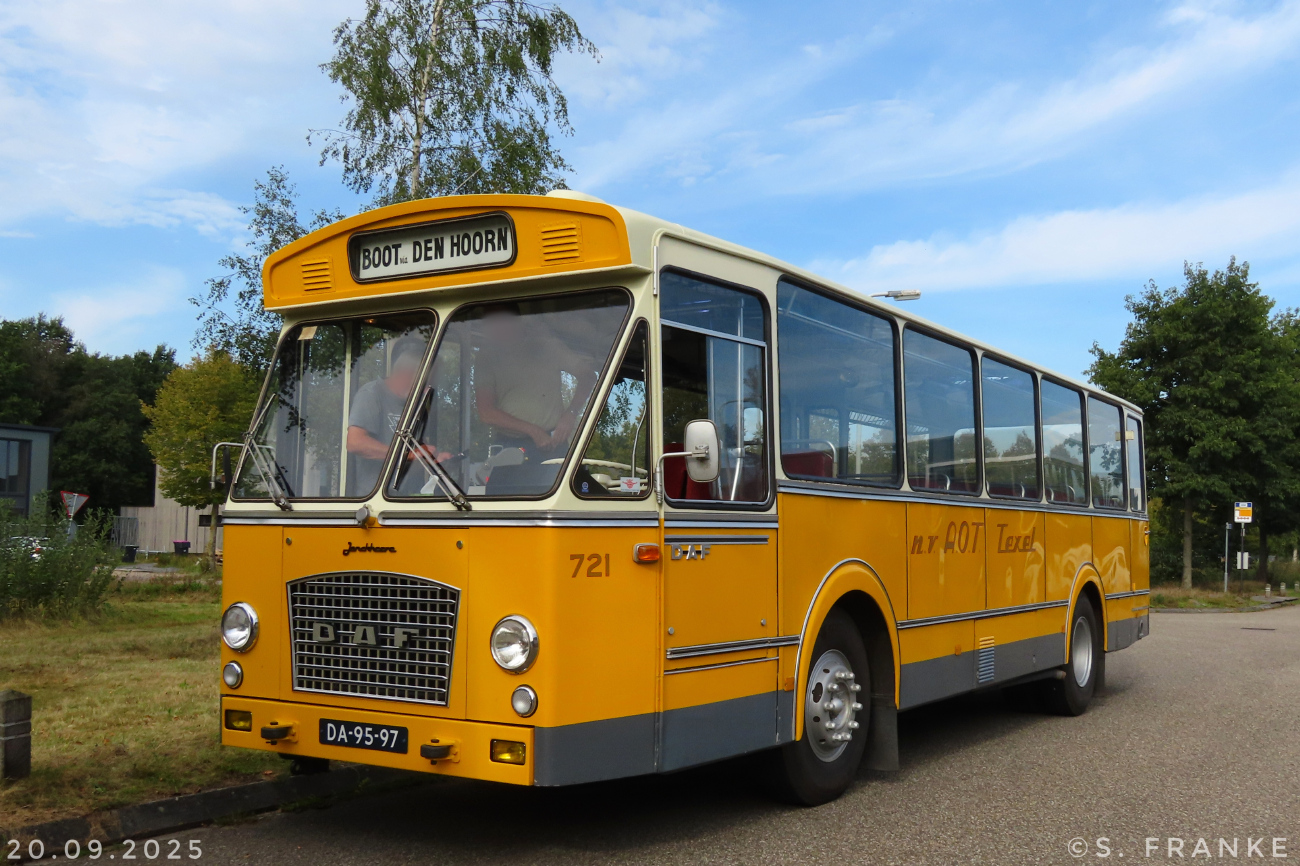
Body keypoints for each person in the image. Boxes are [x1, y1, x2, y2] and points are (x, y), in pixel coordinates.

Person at [474, 304, 598, 461]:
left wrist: (571, 413)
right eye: (490, 323)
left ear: (516, 321)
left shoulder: (548, 347)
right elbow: (486, 413)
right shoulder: (486, 357)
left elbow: (588, 376)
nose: (495, 328)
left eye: (501, 321)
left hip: (553, 443)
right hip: (508, 444)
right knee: (499, 487)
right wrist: (533, 431)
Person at [346, 337, 428, 494]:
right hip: (376, 502)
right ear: (405, 374)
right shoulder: (371, 394)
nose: (424, 390)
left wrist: (434, 459)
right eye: (422, 383)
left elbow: (413, 455)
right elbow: (355, 443)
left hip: (407, 499)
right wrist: (406, 454)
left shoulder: (413, 404)